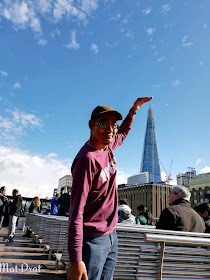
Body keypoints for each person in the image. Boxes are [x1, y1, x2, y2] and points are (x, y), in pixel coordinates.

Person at [67, 97, 152, 280]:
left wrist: (133, 111)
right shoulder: (86, 160)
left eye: (113, 124)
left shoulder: (108, 147)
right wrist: (76, 260)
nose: (110, 129)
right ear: (92, 125)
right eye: (103, 123)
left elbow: (122, 133)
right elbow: (76, 212)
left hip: (111, 234)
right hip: (92, 239)